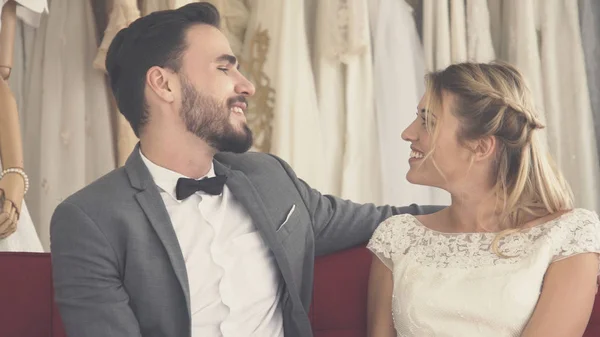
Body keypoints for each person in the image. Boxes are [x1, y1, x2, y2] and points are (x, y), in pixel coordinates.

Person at [49, 3, 440, 337]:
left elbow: (387, 222)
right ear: (163, 84)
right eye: (224, 69)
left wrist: (491, 208)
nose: (247, 85)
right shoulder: (89, 220)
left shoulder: (269, 178)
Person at [367, 62, 600, 337]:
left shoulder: (569, 235)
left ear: (480, 146)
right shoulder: (397, 236)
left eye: (427, 122)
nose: (408, 133)